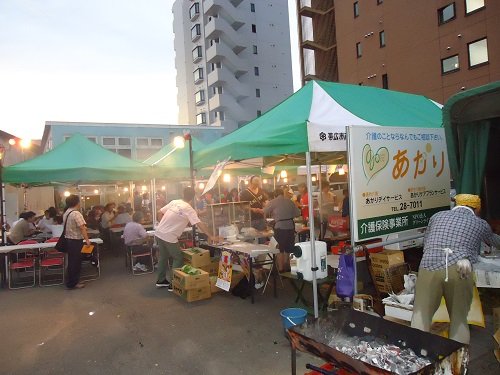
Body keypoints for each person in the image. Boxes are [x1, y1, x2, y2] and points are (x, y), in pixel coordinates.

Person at [411, 194, 500, 344]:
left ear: (456, 204)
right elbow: (495, 242)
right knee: (459, 318)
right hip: (460, 267)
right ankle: (457, 361)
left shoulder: (437, 216)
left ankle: (416, 357)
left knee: (421, 315)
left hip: (429, 265)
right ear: (477, 209)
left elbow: (427, 242)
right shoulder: (480, 223)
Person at [154, 187, 219, 290]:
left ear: (183, 194)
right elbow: (199, 223)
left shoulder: (175, 202)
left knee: (163, 257)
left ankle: (160, 280)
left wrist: (162, 223)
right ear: (193, 197)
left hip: (159, 232)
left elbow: (159, 212)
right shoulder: (189, 209)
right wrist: (211, 236)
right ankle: (173, 283)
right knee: (178, 257)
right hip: (169, 236)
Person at [263, 188, 301, 271]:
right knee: (288, 248)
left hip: (280, 227)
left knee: (280, 249)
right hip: (290, 227)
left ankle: (281, 269)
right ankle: (288, 267)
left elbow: (265, 210)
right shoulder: (290, 201)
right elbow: (298, 213)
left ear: (275, 195)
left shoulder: (273, 201)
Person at [63, 194, 91, 290]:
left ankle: (74, 281)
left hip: (69, 240)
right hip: (76, 241)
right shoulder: (76, 213)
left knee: (72, 262)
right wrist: (87, 240)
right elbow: (82, 228)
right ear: (77, 202)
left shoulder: (66, 212)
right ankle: (73, 283)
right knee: (75, 263)